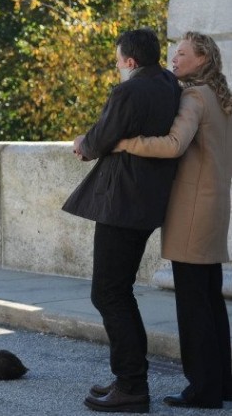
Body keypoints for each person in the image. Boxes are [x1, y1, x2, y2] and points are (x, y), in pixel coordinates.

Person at [62, 28, 181, 413]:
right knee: (118, 291)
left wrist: (82, 143)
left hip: (123, 201)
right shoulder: (169, 84)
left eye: (118, 62)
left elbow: (100, 140)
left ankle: (132, 385)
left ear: (130, 61)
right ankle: (128, 379)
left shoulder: (128, 91)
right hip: (148, 202)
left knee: (109, 293)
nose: (118, 68)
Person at [114, 31, 232, 409]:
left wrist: (126, 143)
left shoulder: (194, 97)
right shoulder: (220, 97)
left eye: (182, 54)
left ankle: (203, 389)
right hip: (214, 208)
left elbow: (173, 145)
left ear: (203, 59)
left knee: (194, 305)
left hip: (192, 211)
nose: (174, 60)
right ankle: (222, 383)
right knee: (210, 300)